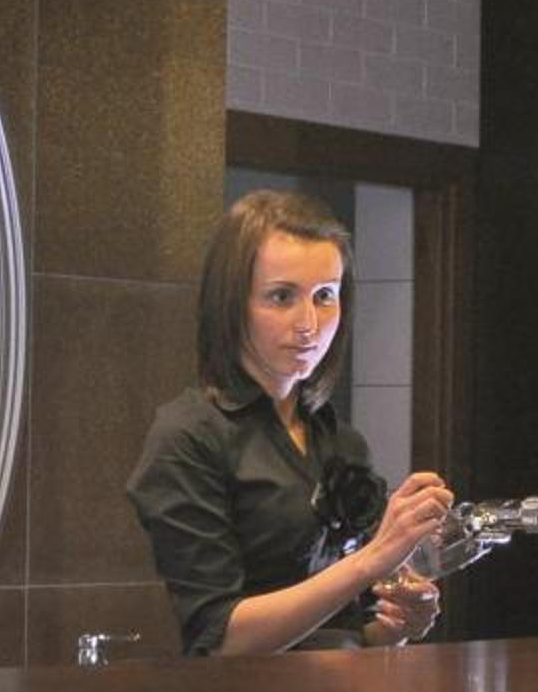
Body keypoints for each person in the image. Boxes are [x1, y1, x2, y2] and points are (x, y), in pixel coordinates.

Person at [125, 190, 454, 656]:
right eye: (281, 297)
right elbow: (220, 639)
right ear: (232, 303)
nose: (308, 324)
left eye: (325, 296)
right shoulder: (189, 436)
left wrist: (397, 626)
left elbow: (353, 629)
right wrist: (372, 558)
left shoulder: (341, 441)